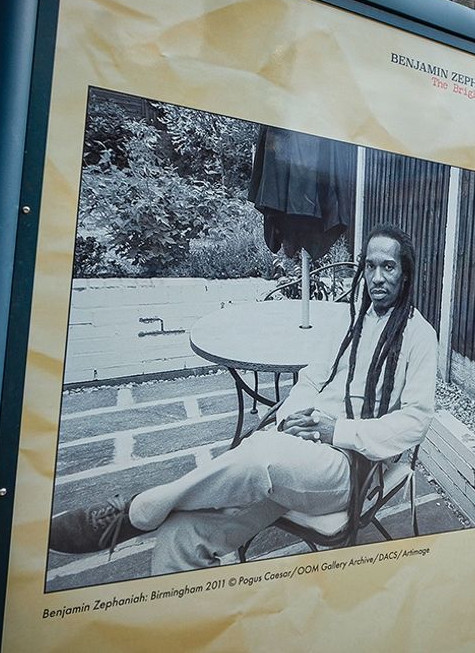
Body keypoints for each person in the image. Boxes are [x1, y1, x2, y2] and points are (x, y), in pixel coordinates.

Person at [49, 226, 438, 574]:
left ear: (405, 272)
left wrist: (336, 430)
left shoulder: (420, 336)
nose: (376, 277)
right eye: (370, 266)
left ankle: (138, 510)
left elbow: (415, 421)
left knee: (257, 455)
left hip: (347, 468)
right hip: (296, 455)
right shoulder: (349, 317)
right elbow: (311, 378)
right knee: (181, 537)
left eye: (388, 267)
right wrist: (293, 416)